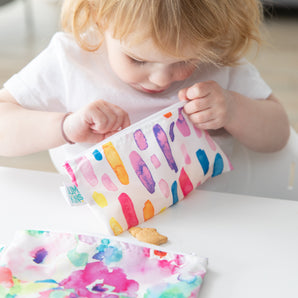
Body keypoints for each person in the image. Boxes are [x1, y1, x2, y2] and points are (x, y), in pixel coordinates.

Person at [0, 0, 290, 173]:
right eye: (138, 59)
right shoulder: (71, 60)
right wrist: (64, 127)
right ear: (100, 18)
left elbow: (279, 134)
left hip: (211, 220)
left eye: (185, 60)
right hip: (100, 231)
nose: (162, 79)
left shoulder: (217, 62)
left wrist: (235, 110)